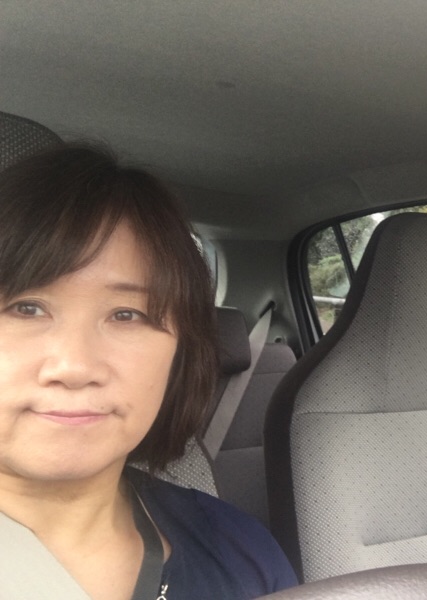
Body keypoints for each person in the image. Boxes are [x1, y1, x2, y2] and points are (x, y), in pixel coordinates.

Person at [0, 143, 297, 599]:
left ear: (179, 354)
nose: (75, 367)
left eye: (127, 315)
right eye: (27, 308)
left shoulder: (242, 554)